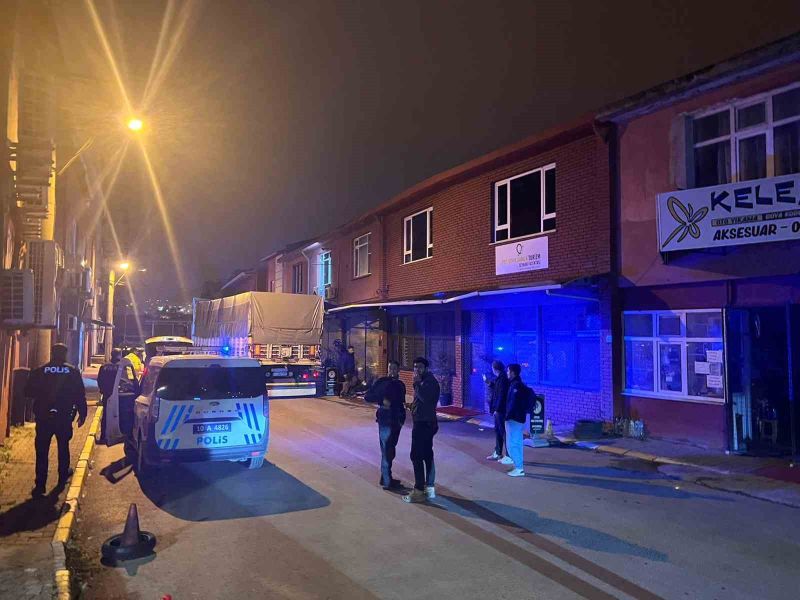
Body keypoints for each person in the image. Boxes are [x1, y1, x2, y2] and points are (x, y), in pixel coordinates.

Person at [24, 343, 87, 496]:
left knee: (42, 451)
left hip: (43, 417)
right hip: (63, 416)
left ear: (52, 353)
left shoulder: (40, 371)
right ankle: (63, 476)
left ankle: (40, 484)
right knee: (63, 446)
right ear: (65, 354)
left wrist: (43, 395)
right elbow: (80, 394)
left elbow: (28, 391)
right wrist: (82, 413)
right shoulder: (72, 372)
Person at [403, 357, 440, 503]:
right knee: (427, 454)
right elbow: (421, 402)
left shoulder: (429, 382)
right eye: (415, 367)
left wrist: (417, 383)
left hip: (424, 424)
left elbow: (426, 398)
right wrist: (412, 406)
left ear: (426, 368)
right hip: (423, 421)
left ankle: (419, 490)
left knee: (416, 455)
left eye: (419, 367)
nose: (416, 369)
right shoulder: (424, 381)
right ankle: (429, 488)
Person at [364, 360, 407, 489]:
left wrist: (402, 418)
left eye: (394, 368)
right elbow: (368, 396)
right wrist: (382, 400)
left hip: (396, 420)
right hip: (385, 420)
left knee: (391, 450)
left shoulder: (400, 384)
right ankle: (387, 481)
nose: (392, 371)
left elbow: (401, 402)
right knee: (387, 450)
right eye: (390, 368)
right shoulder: (382, 382)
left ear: (398, 370)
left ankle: (386, 478)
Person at [504, 363, 530, 477]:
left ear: (513, 372)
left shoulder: (516, 385)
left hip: (514, 418)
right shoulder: (517, 384)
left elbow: (513, 403)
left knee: (514, 443)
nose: (507, 373)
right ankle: (518, 466)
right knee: (516, 442)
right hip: (517, 418)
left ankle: (519, 468)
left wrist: (507, 416)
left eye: (508, 371)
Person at [485, 360, 510, 462]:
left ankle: (508, 455)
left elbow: (501, 395)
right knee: (499, 431)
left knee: (502, 432)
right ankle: (498, 453)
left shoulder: (502, 379)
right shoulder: (501, 378)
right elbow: (497, 389)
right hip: (499, 410)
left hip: (500, 411)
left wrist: (497, 409)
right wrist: (489, 383)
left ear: (495, 369)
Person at [97, 349, 121, 443]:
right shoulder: (121, 367)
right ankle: (119, 435)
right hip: (119, 395)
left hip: (107, 395)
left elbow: (99, 380)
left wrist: (102, 391)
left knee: (106, 416)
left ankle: (103, 437)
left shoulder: (104, 366)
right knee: (119, 415)